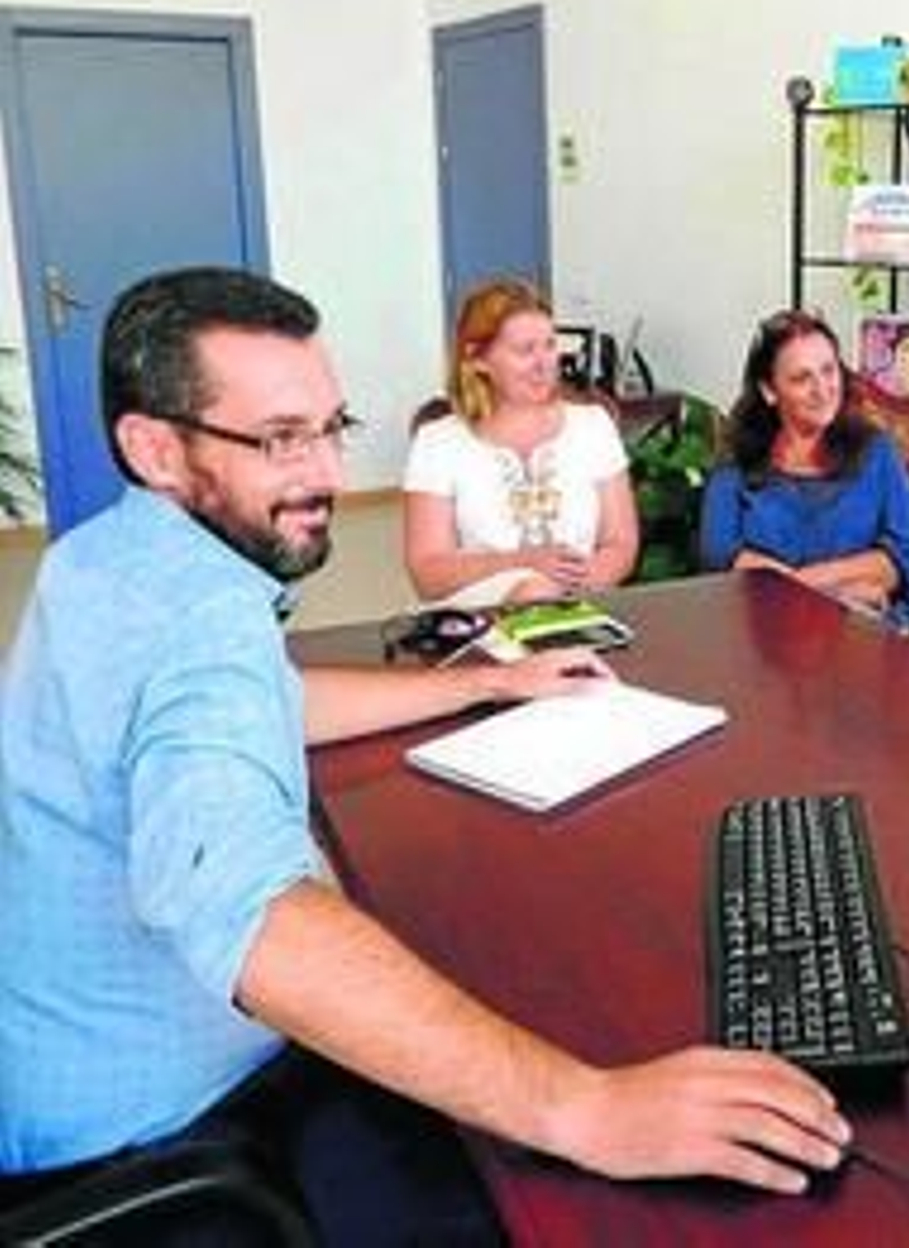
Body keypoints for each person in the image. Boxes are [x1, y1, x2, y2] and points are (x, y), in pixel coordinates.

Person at [0, 268, 850, 1240]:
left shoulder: (107, 558)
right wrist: (589, 1109)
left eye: (331, 427)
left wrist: (479, 684)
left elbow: (264, 703)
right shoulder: (192, 624)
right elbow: (254, 921)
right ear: (153, 447)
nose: (324, 471)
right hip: (161, 1133)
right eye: (280, 440)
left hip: (54, 1056)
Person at [404, 277, 639, 606]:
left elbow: (621, 542)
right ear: (477, 360)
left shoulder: (593, 426)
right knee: (534, 591)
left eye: (550, 345)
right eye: (525, 351)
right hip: (478, 621)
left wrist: (578, 586)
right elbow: (428, 574)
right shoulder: (438, 442)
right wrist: (523, 565)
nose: (544, 364)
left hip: (580, 607)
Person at [700, 308, 909, 629]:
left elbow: (898, 561)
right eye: (802, 378)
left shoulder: (878, 452)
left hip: (860, 641)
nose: (822, 390)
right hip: (763, 636)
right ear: (769, 390)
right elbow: (721, 559)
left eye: (828, 371)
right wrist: (843, 592)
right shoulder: (738, 459)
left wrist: (792, 584)